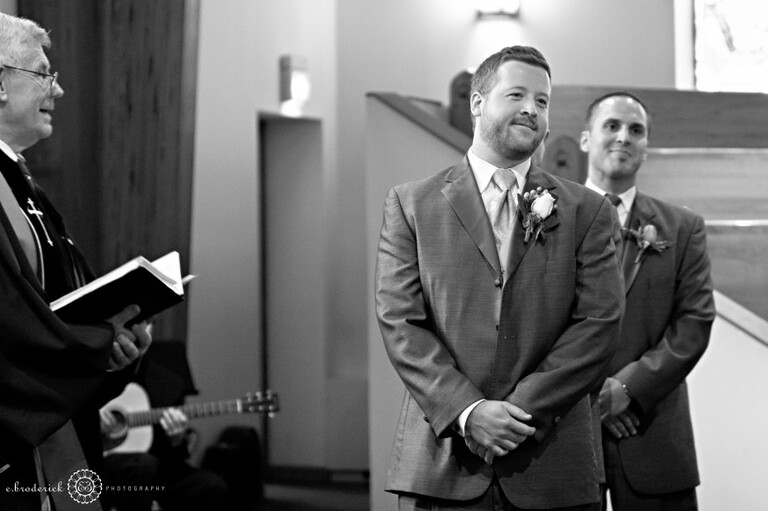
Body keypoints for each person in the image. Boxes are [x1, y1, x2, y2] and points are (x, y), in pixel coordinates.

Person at [375, 45, 625, 511]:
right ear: (477, 102)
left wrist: (518, 414)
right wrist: (468, 413)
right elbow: (401, 323)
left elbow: (599, 323)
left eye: (543, 101)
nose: (532, 109)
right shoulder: (412, 205)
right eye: (517, 95)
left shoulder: (587, 212)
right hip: (442, 462)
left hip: (551, 464)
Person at [0, 12, 152, 511]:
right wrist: (96, 341)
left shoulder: (24, 186)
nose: (58, 91)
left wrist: (113, 339)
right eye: (45, 74)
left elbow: (56, 306)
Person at [580, 91, 715, 511]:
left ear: (646, 147)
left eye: (636, 130)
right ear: (586, 139)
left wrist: (628, 387)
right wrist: (589, 395)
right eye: (612, 126)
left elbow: (694, 321)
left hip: (649, 425)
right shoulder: (545, 218)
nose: (624, 137)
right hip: (566, 430)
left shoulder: (682, 227)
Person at [99, 388, 228, 511]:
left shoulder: (167, 380)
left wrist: (176, 440)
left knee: (211, 485)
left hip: (157, 467)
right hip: (104, 463)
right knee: (143, 465)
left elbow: (176, 457)